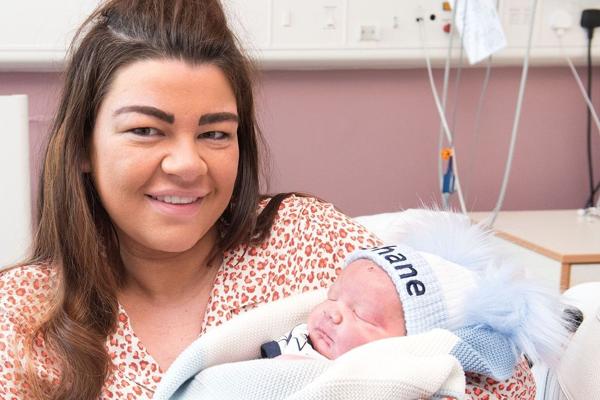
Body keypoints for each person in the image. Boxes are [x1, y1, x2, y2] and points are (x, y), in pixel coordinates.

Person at [0, 0, 535, 399]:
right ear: (83, 147)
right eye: (146, 130)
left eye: (215, 134)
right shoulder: (19, 318)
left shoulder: (306, 242)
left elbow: (504, 377)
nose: (188, 164)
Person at [260, 244, 568, 383]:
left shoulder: (388, 379)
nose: (333, 314)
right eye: (333, 296)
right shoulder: (299, 333)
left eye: (362, 315)